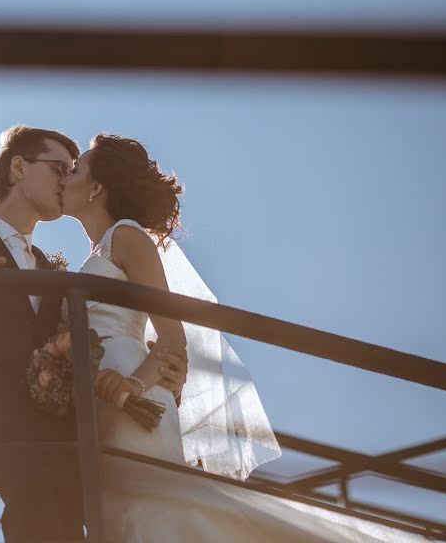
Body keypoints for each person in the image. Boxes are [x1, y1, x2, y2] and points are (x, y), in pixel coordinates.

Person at [58, 134, 425, 542]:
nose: (64, 177)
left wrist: (133, 386)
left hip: (130, 399)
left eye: (74, 169)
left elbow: (173, 339)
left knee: (153, 515)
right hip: (99, 399)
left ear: (96, 187)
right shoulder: (92, 255)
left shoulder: (127, 238)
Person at [0, 125, 188, 542]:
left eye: (73, 171)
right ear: (19, 167)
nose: (67, 179)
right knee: (37, 511)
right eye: (59, 168)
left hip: (70, 435)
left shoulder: (57, 274)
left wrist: (161, 374)